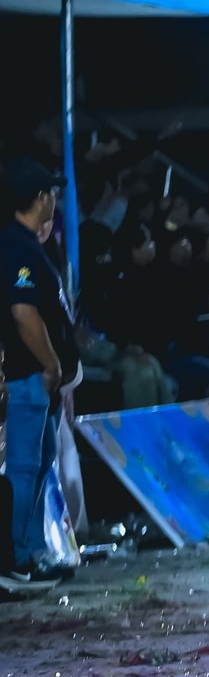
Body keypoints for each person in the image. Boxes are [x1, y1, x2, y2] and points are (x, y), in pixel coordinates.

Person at [1, 157, 78, 594]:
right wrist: (50, 364)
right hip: (30, 376)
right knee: (25, 468)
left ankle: (27, 555)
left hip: (40, 381)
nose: (55, 199)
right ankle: (11, 559)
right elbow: (24, 313)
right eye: (50, 192)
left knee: (40, 462)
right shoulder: (16, 247)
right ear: (38, 198)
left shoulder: (28, 245)